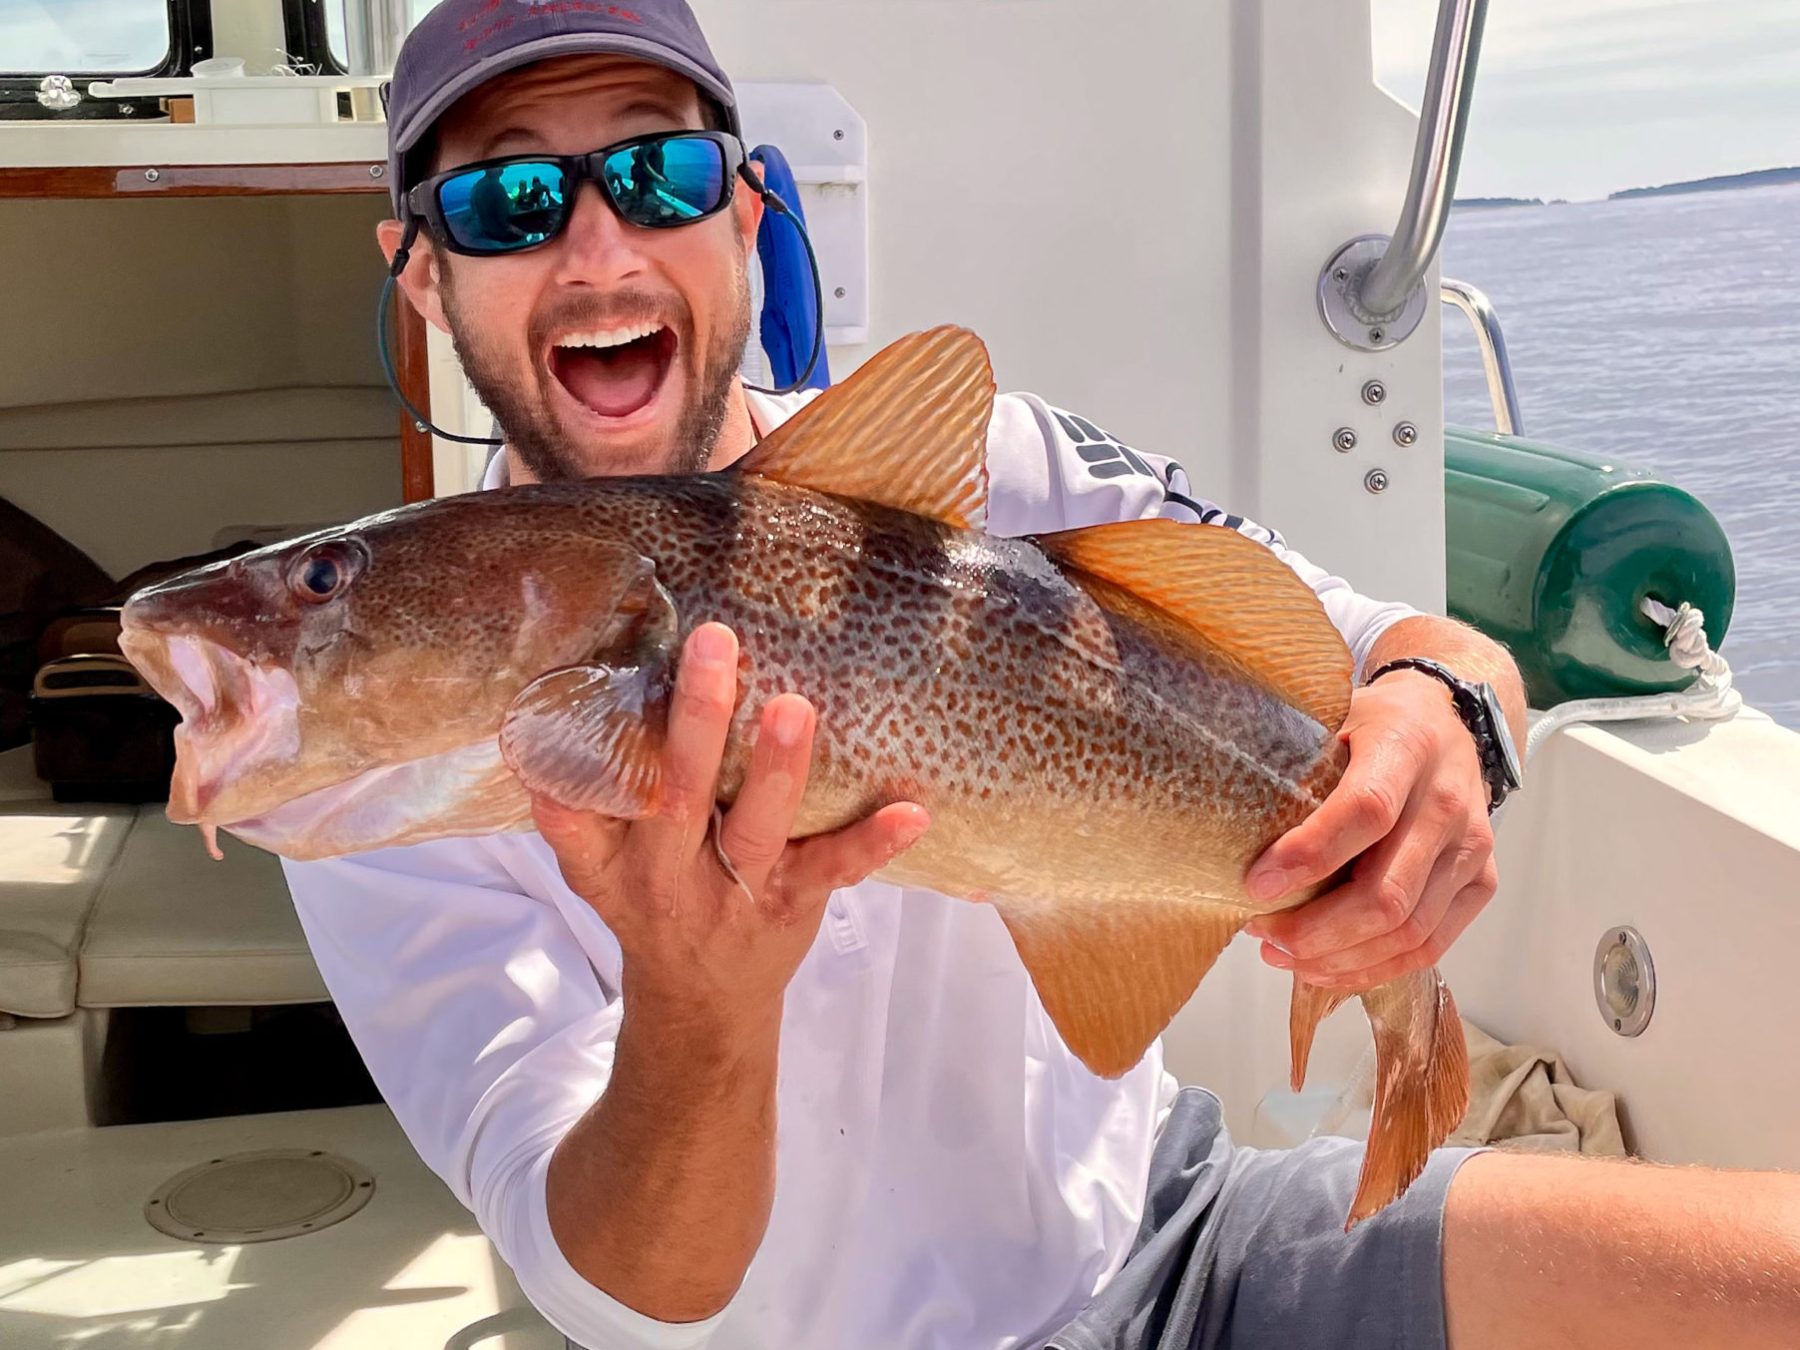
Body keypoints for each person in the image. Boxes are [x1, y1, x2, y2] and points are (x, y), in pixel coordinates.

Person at [283, 3, 1800, 1348]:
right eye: (510, 197)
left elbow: (1408, 646)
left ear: (744, 216)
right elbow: (623, 1286)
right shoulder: (371, 777)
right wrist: (699, 1006)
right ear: (420, 275)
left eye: (658, 173)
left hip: (1187, 1234)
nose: (598, 245)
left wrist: (1448, 722)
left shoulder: (977, 468)